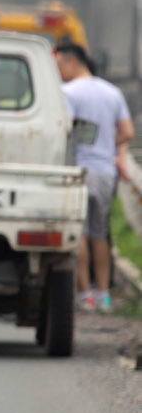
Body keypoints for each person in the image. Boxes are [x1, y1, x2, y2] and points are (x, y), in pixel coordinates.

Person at [54, 39, 134, 313]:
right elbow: (128, 133)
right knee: (101, 234)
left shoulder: (68, 93)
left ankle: (84, 294)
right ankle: (104, 295)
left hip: (79, 171)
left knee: (80, 235)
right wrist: (108, 146)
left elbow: (64, 130)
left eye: (60, 65)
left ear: (72, 62)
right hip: (105, 173)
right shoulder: (112, 93)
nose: (59, 72)